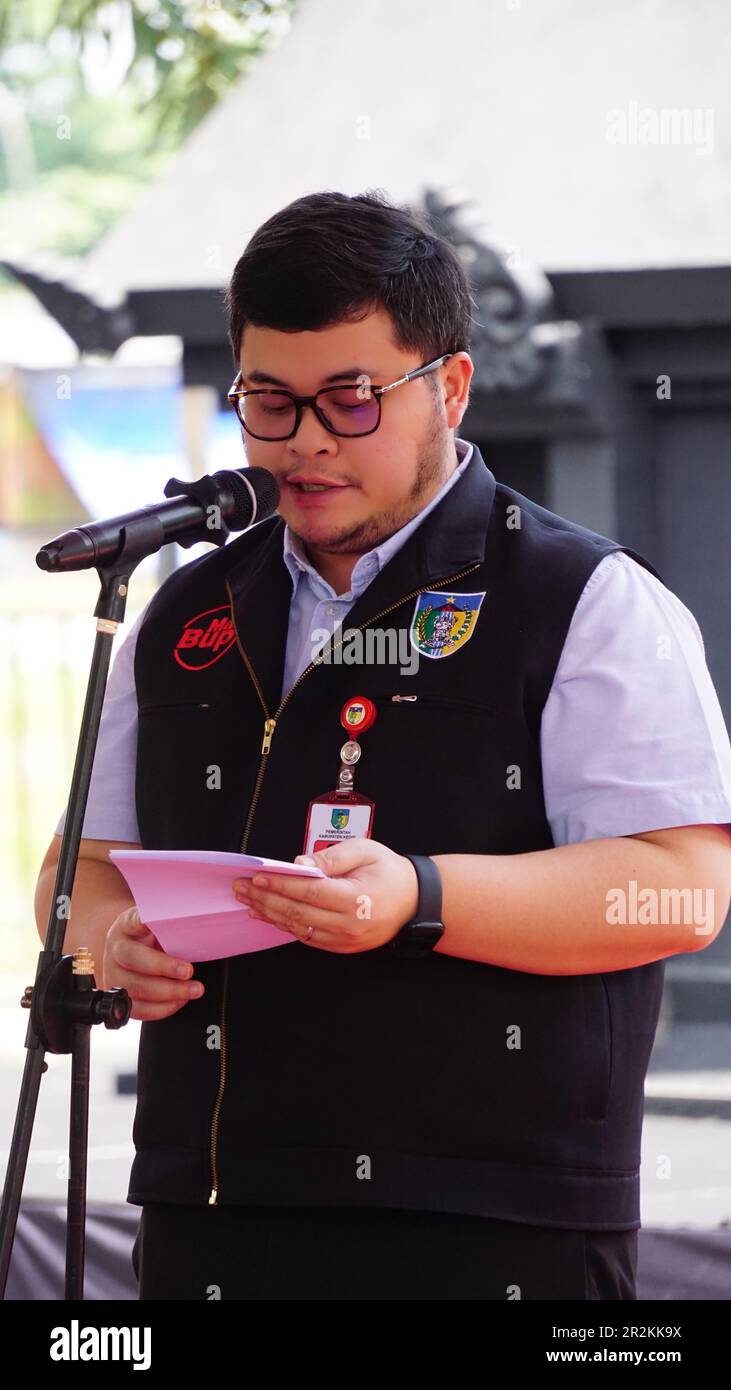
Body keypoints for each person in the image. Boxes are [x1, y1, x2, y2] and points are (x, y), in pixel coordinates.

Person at [35, 189, 731, 1301]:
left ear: (448, 386)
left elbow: (681, 886)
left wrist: (417, 896)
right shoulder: (182, 614)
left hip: (490, 1224)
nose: (304, 441)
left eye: (349, 400)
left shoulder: (583, 598)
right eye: (268, 401)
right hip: (210, 1210)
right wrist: (111, 946)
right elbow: (86, 874)